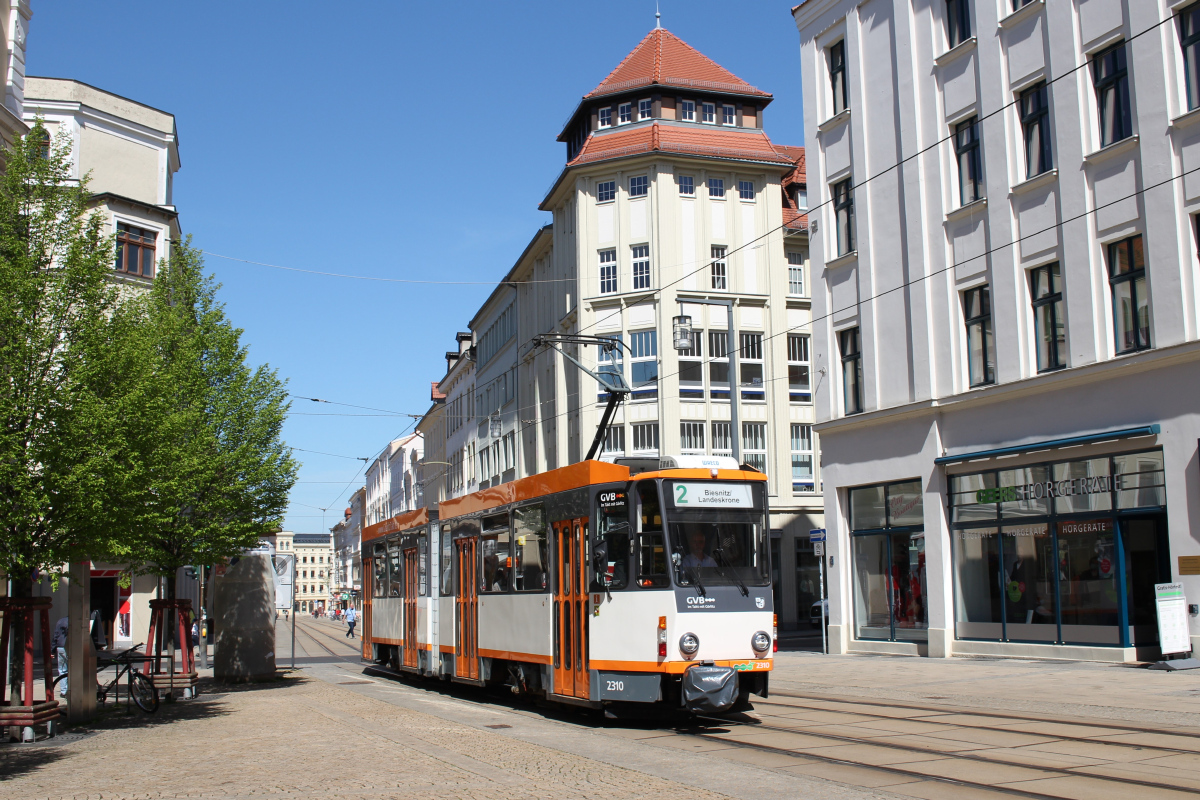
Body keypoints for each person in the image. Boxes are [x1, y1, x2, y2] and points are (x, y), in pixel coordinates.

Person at [51, 616, 69, 697]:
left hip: (61, 646)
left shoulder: (61, 621)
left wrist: (52, 650)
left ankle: (64, 691)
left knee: (62, 670)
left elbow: (56, 635)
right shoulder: (77, 621)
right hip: (73, 647)